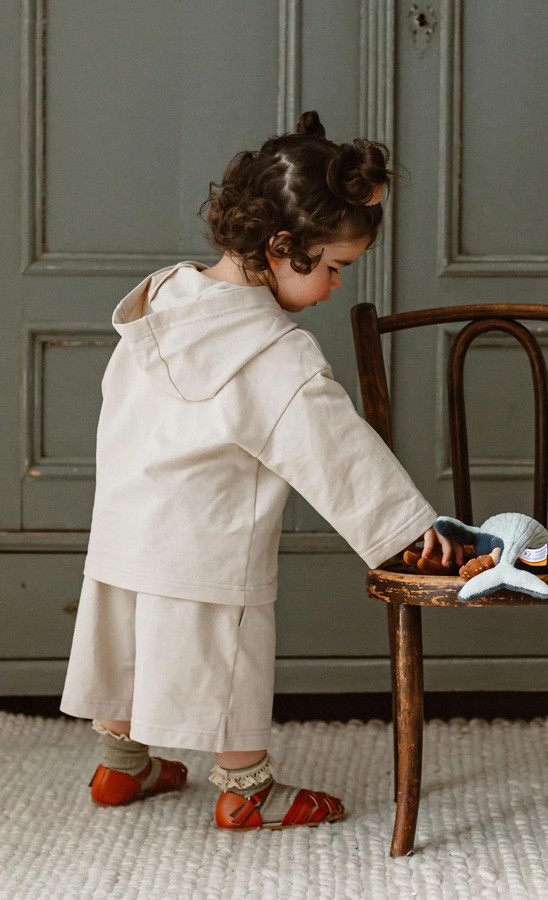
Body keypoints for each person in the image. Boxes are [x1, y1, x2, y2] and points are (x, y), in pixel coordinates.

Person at [61, 111, 462, 831]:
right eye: (333, 268)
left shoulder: (166, 298)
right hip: (206, 541)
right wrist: (411, 526)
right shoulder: (273, 352)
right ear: (282, 247)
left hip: (126, 523)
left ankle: (121, 764)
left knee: (126, 644)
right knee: (230, 655)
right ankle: (246, 790)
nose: (335, 286)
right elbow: (336, 450)